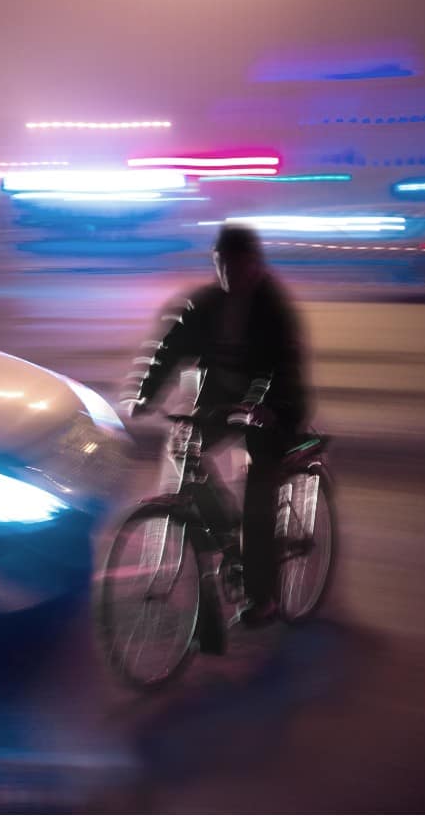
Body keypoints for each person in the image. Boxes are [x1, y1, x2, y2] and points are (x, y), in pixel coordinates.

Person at [121, 224, 309, 627]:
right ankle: (227, 532)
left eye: (237, 266)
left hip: (274, 410)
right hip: (221, 407)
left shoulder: (272, 309)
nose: (229, 275)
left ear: (255, 266)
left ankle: (263, 600)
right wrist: (145, 396)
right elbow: (169, 350)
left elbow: (283, 368)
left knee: (259, 498)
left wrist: (262, 406)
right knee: (185, 451)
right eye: (221, 265)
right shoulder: (205, 305)